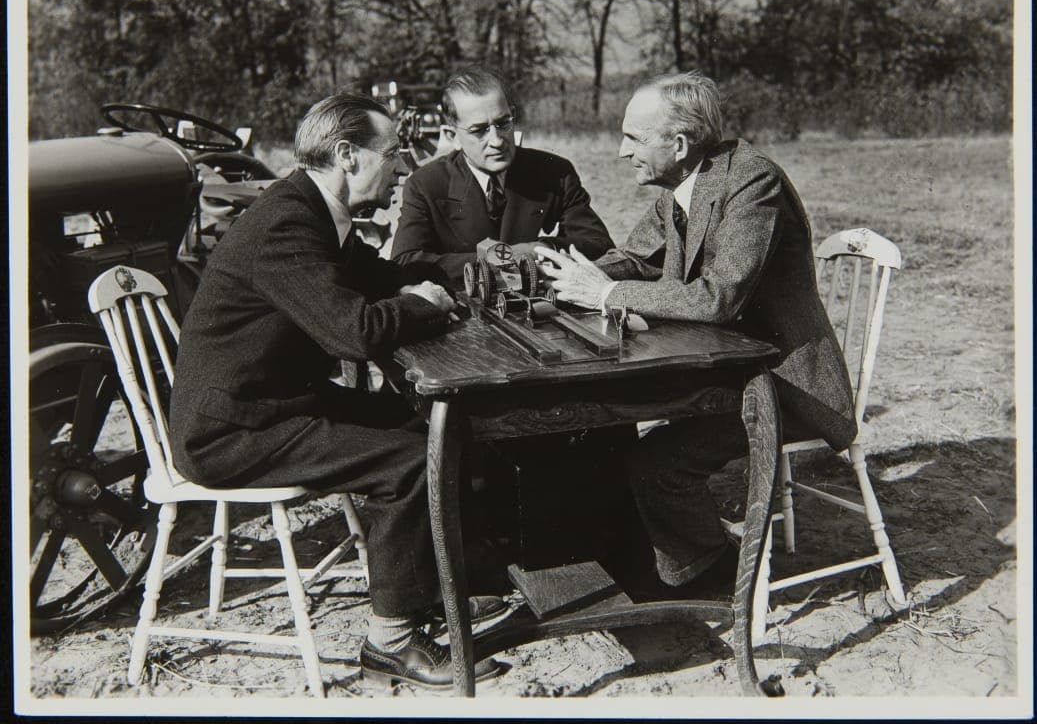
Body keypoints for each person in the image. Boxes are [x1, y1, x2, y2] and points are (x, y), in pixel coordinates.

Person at [169, 92, 504, 689]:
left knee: (430, 427)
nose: (402, 168)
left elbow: (379, 275)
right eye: (393, 154)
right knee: (411, 460)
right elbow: (354, 332)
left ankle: (433, 590)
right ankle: (390, 643)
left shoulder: (311, 208)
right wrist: (424, 306)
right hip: (232, 431)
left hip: (274, 404)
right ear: (348, 155)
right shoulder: (286, 225)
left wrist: (459, 276)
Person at [536, 71, 857, 593]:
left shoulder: (752, 181)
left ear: (679, 144)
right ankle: (635, 553)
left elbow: (718, 296)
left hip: (783, 386)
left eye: (634, 138)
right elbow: (635, 259)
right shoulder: (685, 184)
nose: (622, 151)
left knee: (655, 464)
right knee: (606, 422)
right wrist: (559, 274)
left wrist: (605, 294)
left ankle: (713, 575)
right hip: (726, 371)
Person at [390, 66, 615, 283]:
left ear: (512, 115)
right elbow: (406, 261)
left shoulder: (555, 172)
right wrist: (499, 259)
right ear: (452, 136)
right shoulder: (426, 185)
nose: (497, 141)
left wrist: (542, 249)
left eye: (503, 123)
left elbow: (598, 243)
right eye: (479, 131)